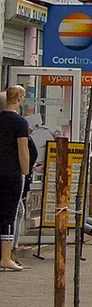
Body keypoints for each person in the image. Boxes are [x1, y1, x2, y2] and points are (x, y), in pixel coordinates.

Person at [1, 85, 31, 271]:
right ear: (19, 98)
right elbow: (23, 149)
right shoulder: (20, 123)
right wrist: (26, 172)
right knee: (9, 215)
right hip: (11, 173)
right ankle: (5, 257)